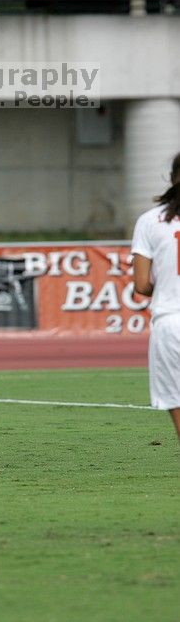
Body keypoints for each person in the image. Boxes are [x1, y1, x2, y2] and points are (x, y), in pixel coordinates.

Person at [132, 152, 180, 442]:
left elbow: (141, 284)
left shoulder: (150, 220)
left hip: (171, 321)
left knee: (176, 396)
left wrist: (164, 285)